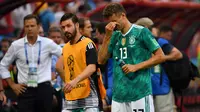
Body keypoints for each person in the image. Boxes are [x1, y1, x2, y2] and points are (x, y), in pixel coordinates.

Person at [98, 3, 165, 112]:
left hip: (140, 92)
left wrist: (136, 66)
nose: (113, 25)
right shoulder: (113, 35)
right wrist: (107, 36)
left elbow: (161, 56)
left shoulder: (141, 32)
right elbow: (101, 60)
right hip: (118, 96)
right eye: (110, 22)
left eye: (115, 21)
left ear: (122, 15)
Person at [0, 14, 62, 112]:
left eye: (32, 26)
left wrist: (58, 72)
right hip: (25, 90)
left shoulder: (48, 43)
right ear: (24, 28)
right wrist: (12, 85)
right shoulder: (16, 45)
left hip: (44, 88)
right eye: (27, 26)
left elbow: (64, 55)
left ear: (38, 26)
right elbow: (3, 65)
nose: (29, 29)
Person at [136, 17, 182, 112]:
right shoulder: (137, 44)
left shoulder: (159, 41)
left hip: (162, 88)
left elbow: (178, 54)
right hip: (146, 89)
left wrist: (160, 58)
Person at [56, 13, 100, 112]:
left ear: (76, 25)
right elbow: (58, 66)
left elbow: (92, 67)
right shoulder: (66, 47)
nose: (65, 30)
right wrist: (69, 83)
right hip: (71, 99)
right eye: (63, 27)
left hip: (89, 99)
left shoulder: (88, 44)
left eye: (68, 26)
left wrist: (74, 81)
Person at [48, 26, 64, 112]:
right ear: (48, 38)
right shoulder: (44, 53)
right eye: (53, 37)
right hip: (47, 89)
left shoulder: (63, 51)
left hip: (60, 89)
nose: (56, 39)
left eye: (58, 37)